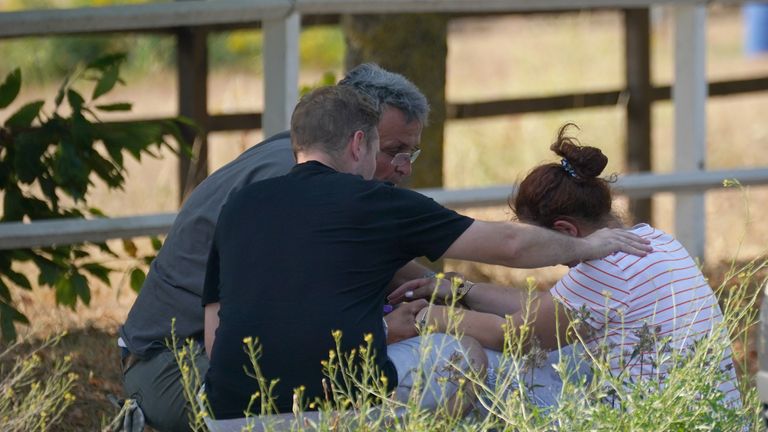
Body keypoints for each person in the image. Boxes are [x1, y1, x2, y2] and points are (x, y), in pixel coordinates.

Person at [202, 89, 652, 424]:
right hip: (338, 405)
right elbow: (510, 245)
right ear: (359, 144)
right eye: (381, 147)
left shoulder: (240, 206)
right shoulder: (375, 201)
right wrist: (587, 246)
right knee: (464, 356)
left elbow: (214, 330)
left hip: (229, 411)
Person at [119, 63, 438, 432]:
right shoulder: (293, 182)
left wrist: (448, 289)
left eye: (409, 154)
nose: (403, 168)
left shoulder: (304, 160)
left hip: (188, 356)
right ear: (357, 134)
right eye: (392, 149)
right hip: (173, 364)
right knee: (420, 373)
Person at [388, 124, 740, 408]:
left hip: (654, 414)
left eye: (535, 241)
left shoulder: (607, 269)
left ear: (565, 232)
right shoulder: (654, 241)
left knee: (476, 365)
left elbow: (513, 335)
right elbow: (547, 311)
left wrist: (429, 319)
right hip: (709, 412)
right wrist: (463, 289)